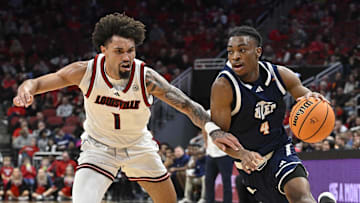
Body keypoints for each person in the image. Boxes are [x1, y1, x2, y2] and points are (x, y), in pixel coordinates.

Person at [13, 13, 239, 203]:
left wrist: (213, 130)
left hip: (138, 146)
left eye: (131, 50)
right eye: (119, 51)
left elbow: (188, 106)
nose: (127, 57)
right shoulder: (85, 72)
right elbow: (39, 82)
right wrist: (26, 89)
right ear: (103, 50)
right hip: (98, 149)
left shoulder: (147, 78)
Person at [209, 26, 336, 203]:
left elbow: (306, 96)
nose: (235, 56)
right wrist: (242, 154)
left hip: (280, 149)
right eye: (230, 52)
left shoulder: (280, 75)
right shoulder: (223, 86)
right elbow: (220, 138)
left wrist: (312, 99)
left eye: (242, 50)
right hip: (251, 162)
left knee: (299, 195)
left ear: (258, 52)